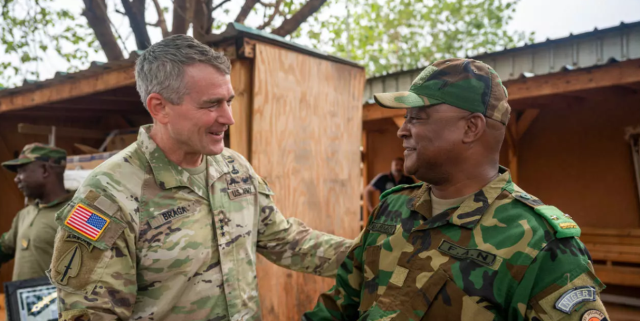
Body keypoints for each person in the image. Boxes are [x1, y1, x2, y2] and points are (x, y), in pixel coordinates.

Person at [49, 34, 353, 321]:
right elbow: (92, 313)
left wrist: (376, 251)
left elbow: (285, 241)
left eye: (229, 101)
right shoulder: (108, 194)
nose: (228, 118)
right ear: (160, 107)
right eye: (211, 104)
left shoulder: (234, 168)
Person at [304, 58, 609, 321]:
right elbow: (340, 306)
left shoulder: (540, 245)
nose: (402, 129)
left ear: (470, 128)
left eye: (416, 117)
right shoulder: (392, 209)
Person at [0, 143, 72, 281]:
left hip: (59, 302)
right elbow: (5, 247)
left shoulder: (81, 213)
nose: (16, 179)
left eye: (22, 171)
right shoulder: (25, 214)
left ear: (45, 169)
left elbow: (102, 263)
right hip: (21, 301)